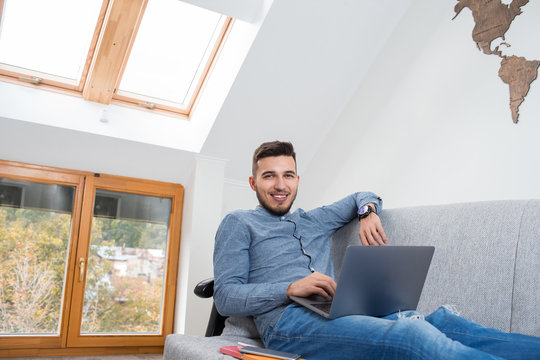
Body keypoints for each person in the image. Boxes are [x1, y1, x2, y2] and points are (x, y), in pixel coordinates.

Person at [213, 140, 540, 359]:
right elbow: (226, 297)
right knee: (412, 337)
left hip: (344, 309)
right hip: (287, 324)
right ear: (254, 183)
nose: (280, 185)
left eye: (287, 175)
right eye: (269, 176)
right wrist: (289, 288)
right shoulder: (239, 223)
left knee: (444, 322)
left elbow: (364, 194)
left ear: (298, 179)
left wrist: (368, 213)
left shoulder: (315, 219)